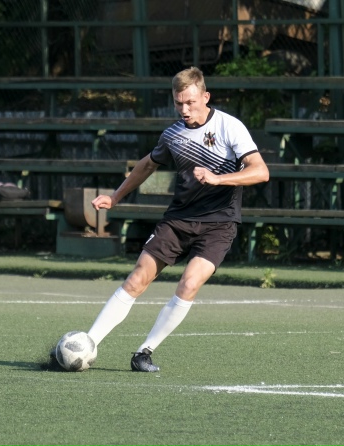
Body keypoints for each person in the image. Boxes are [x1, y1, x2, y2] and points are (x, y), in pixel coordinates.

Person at [85, 66, 270, 372]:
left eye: (190, 102)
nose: (184, 110)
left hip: (219, 223)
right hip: (179, 219)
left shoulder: (229, 127)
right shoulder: (173, 134)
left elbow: (260, 171)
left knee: (189, 283)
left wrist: (219, 179)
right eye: (178, 103)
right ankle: (87, 344)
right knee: (137, 278)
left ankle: (144, 352)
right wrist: (115, 197)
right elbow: (147, 165)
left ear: (205, 97)